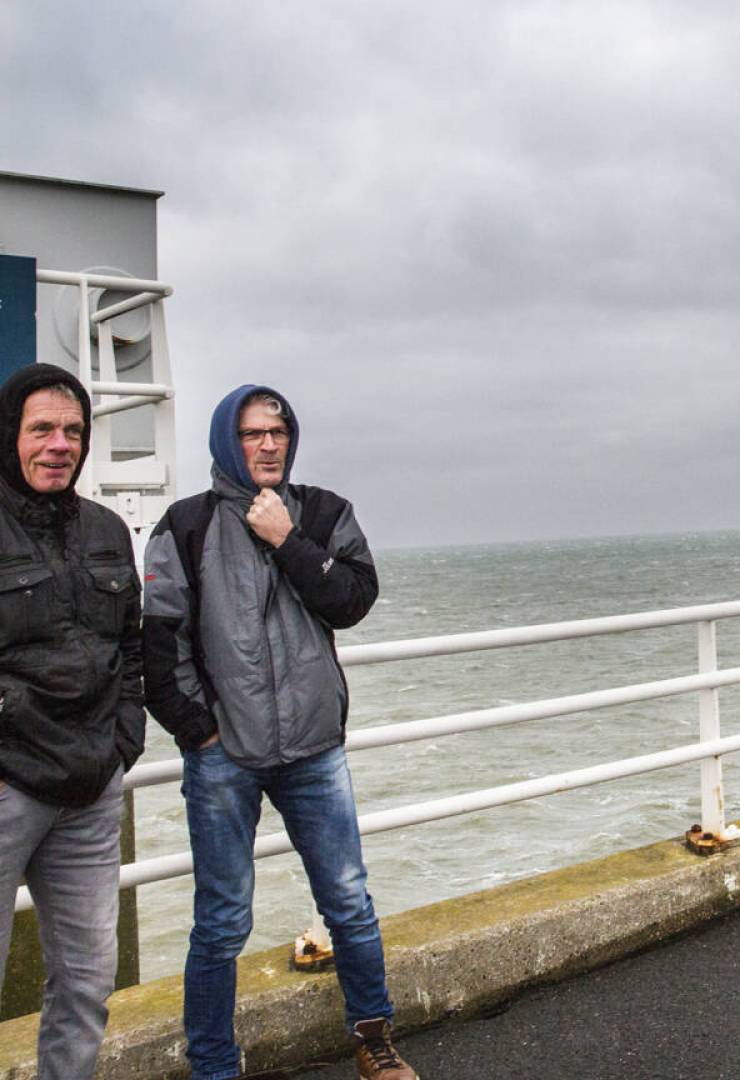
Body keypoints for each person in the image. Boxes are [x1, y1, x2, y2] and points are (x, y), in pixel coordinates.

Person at [143, 385, 417, 1080]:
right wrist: (201, 733)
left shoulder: (323, 512)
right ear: (225, 441)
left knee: (349, 903)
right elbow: (160, 645)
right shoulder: (185, 525)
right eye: (252, 433)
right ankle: (213, 1065)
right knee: (221, 922)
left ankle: (374, 1039)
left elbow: (352, 601)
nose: (269, 444)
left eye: (279, 431)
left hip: (314, 748)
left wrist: (289, 541)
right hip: (224, 757)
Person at [0, 364, 145, 1080]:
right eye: (42, 430)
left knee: (87, 983)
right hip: (8, 786)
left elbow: (132, 646)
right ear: (10, 435)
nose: (59, 445)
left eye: (73, 431)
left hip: (91, 790)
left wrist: (123, 740)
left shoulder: (107, 530)